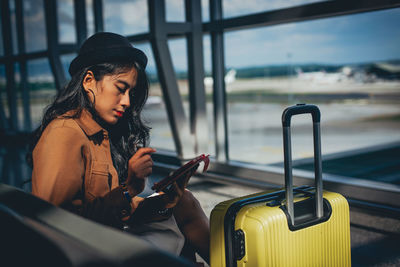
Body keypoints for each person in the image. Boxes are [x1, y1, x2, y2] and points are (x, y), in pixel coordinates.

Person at [28, 32, 209, 264]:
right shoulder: (65, 132)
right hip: (84, 251)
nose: (127, 102)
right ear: (88, 81)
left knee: (184, 201)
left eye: (130, 93)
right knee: (182, 218)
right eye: (120, 89)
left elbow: (111, 211)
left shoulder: (101, 132)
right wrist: (129, 189)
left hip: (102, 238)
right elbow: (57, 222)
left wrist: (165, 200)